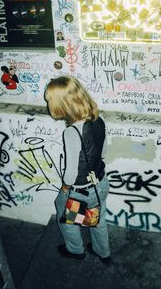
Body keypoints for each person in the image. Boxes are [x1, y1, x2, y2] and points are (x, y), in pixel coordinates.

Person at [44, 75, 112, 265]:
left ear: (63, 103)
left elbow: (71, 174)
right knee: (98, 219)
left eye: (51, 99)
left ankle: (76, 251)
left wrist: (65, 190)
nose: (48, 102)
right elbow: (104, 152)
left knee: (66, 216)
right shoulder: (99, 118)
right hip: (101, 183)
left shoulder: (72, 132)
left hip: (80, 190)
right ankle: (103, 252)